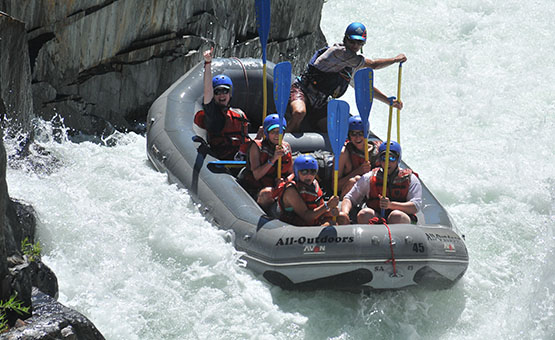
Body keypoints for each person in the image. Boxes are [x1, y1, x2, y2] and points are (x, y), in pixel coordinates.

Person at [287, 22, 407, 132]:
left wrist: (389, 101)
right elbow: (374, 65)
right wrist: (396, 59)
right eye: (352, 41)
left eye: (359, 43)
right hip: (302, 91)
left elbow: (363, 88)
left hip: (320, 102)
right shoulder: (338, 52)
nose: (355, 45)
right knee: (299, 112)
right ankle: (282, 143)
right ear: (345, 39)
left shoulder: (351, 65)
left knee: (334, 130)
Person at [339, 141, 422, 224]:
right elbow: (349, 198)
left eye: (392, 158)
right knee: (365, 214)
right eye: (384, 158)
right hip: (378, 218)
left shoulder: (410, 179)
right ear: (380, 159)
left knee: (396, 216)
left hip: (401, 218)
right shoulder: (369, 178)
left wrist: (391, 205)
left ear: (398, 159)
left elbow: (415, 206)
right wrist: (345, 213)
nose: (387, 162)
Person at [193, 48, 251, 160]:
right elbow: (207, 92)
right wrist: (208, 63)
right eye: (217, 92)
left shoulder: (239, 114)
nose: (222, 95)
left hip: (240, 159)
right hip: (221, 160)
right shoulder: (212, 116)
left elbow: (246, 140)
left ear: (230, 94)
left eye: (225, 91)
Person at [240, 114, 293, 208]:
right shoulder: (256, 147)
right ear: (267, 133)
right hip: (258, 188)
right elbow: (256, 175)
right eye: (273, 132)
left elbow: (292, 173)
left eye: (280, 132)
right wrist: (274, 159)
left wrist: (284, 182)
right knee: (267, 193)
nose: (277, 135)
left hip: (278, 186)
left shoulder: (286, 147)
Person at [278, 154, 340, 226]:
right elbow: (306, 216)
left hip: (314, 222)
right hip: (296, 227)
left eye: (313, 172)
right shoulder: (290, 190)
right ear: (296, 172)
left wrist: (330, 212)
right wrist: (327, 205)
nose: (309, 175)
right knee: (331, 225)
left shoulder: (314, 183)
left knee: (342, 218)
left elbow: (320, 208)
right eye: (304, 172)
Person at [336, 115, 382, 198]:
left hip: (374, 191)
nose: (357, 137)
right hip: (349, 193)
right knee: (354, 180)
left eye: (361, 133)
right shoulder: (344, 153)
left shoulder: (379, 149)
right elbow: (335, 186)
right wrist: (358, 171)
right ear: (349, 135)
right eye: (353, 134)